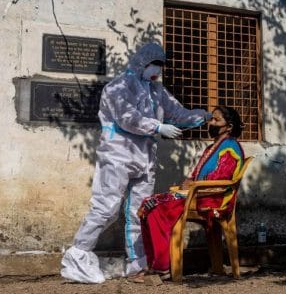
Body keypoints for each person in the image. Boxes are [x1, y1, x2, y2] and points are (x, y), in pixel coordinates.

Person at [60, 42, 211, 284]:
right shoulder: (119, 86)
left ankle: (138, 264)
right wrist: (157, 126)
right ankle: (77, 255)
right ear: (143, 62)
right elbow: (127, 117)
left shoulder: (156, 91)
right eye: (155, 65)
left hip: (144, 158)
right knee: (106, 207)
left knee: (139, 211)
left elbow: (178, 113)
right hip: (117, 154)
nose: (157, 70)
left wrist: (204, 116)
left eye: (161, 66)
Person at [138, 106, 246, 277]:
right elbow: (195, 175)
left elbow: (220, 179)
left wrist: (194, 185)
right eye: (211, 119)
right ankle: (154, 263)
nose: (211, 123)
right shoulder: (210, 148)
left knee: (157, 207)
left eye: (216, 120)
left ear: (229, 126)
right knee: (147, 203)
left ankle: (162, 266)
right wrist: (189, 181)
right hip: (198, 194)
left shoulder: (230, 147)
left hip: (212, 199)